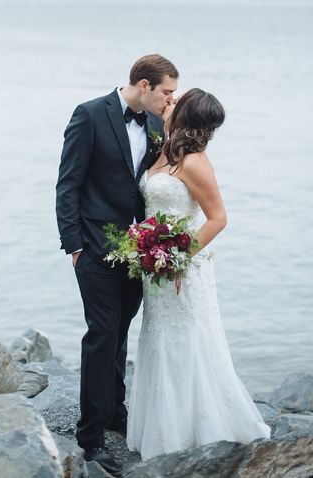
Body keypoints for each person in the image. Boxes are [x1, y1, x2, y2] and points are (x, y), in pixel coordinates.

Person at [127, 88, 270, 460]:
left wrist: (178, 258)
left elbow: (218, 218)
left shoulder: (194, 161)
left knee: (187, 339)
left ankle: (197, 430)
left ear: (185, 116)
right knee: (158, 337)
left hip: (181, 270)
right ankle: (161, 427)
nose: (167, 103)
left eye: (175, 101)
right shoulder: (164, 150)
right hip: (155, 264)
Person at [55, 54, 179, 475]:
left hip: (138, 252)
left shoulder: (159, 125)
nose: (170, 99)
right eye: (167, 91)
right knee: (103, 334)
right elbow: (68, 183)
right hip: (93, 247)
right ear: (144, 85)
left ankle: (114, 412)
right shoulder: (90, 114)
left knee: (121, 331)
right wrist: (74, 247)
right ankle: (89, 438)